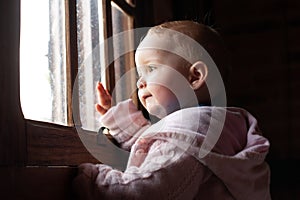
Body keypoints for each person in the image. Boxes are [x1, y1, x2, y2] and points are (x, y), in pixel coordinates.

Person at [73, 20, 271, 200]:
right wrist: (117, 118)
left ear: (195, 77)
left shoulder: (189, 139)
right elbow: (159, 146)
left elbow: (146, 191)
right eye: (139, 74)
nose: (140, 82)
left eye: (150, 69)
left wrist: (91, 178)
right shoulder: (212, 127)